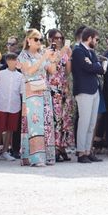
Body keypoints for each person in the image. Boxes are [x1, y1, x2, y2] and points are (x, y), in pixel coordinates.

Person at [17, 29, 57, 166]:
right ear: (28, 40)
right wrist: (44, 58)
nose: (39, 42)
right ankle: (35, 158)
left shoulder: (41, 54)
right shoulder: (23, 55)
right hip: (31, 94)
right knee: (35, 124)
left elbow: (52, 71)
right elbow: (29, 71)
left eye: (40, 39)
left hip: (44, 91)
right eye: (36, 39)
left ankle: (47, 156)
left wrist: (53, 60)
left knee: (46, 123)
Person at [71, 27, 105, 164]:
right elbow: (91, 68)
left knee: (91, 123)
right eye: (96, 39)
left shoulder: (90, 52)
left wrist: (95, 65)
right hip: (84, 90)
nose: (96, 42)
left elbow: (100, 69)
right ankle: (80, 152)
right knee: (84, 122)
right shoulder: (78, 51)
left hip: (94, 89)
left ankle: (87, 150)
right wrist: (95, 66)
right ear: (89, 38)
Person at [46, 28, 74, 162]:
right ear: (50, 39)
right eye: (56, 38)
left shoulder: (64, 53)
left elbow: (67, 72)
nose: (59, 40)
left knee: (64, 118)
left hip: (63, 88)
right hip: (52, 88)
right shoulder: (47, 51)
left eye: (61, 38)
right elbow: (50, 70)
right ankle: (54, 147)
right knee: (55, 119)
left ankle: (62, 146)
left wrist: (69, 56)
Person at [0, 53, 23, 161]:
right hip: (2, 105)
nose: (13, 62)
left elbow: (21, 92)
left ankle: (5, 151)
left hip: (15, 106)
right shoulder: (1, 74)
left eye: (15, 60)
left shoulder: (20, 76)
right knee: (0, 129)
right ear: (7, 61)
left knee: (11, 129)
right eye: (10, 60)